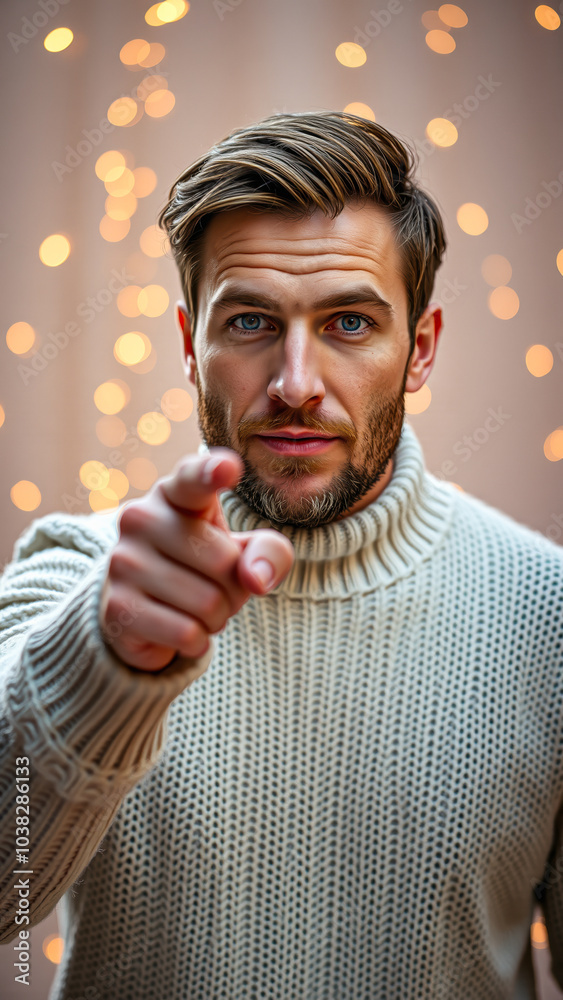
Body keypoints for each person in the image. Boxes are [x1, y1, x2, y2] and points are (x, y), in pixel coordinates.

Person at [0, 110, 562, 999]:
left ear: (417, 349)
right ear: (191, 346)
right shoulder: (81, 569)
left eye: (347, 324)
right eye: (252, 322)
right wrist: (101, 663)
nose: (295, 384)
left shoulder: (550, 615)